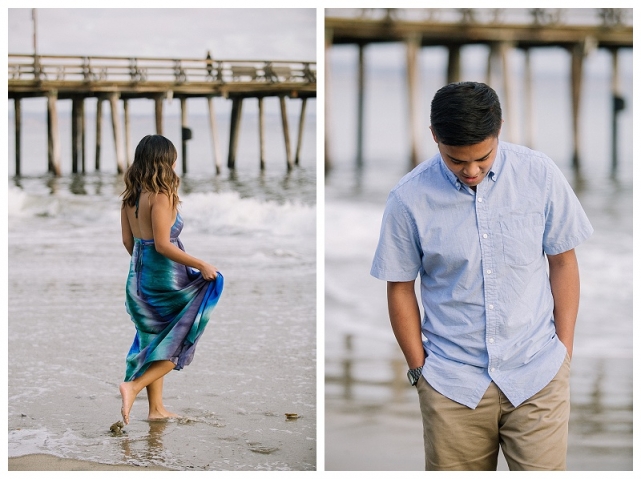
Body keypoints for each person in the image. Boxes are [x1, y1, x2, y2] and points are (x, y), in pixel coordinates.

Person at [370, 82, 593, 471]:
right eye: (456, 161)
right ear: (435, 137)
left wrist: (564, 352)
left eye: (483, 157)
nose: (471, 170)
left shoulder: (539, 174)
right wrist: (419, 371)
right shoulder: (407, 198)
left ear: (500, 129)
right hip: (451, 384)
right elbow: (400, 287)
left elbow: (562, 261)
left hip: (538, 372)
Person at [119, 134, 223, 425]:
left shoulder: (130, 197)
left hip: (138, 279)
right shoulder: (161, 195)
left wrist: (144, 274)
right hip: (166, 278)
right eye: (173, 157)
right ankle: (133, 386)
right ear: (166, 161)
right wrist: (201, 263)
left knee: (152, 340)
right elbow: (164, 245)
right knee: (176, 340)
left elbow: (129, 242)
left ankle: (156, 409)